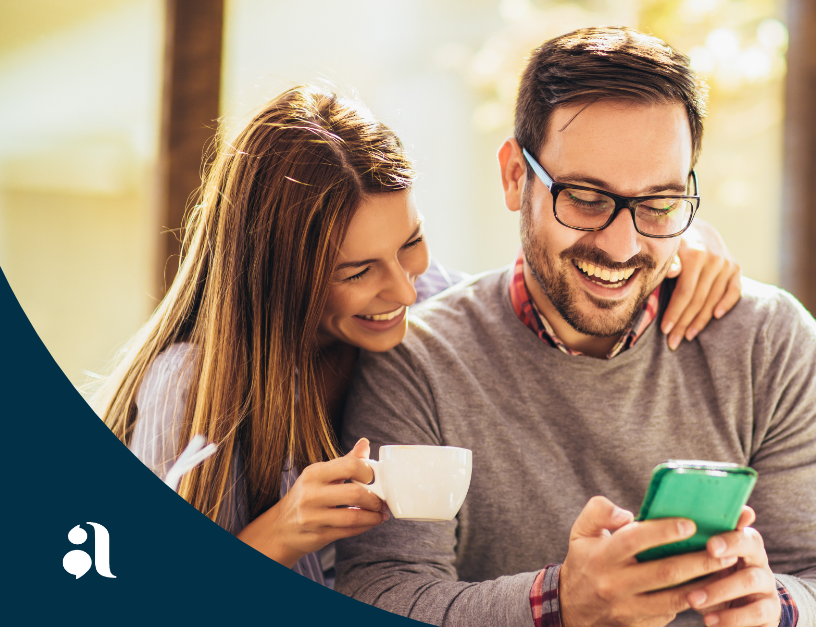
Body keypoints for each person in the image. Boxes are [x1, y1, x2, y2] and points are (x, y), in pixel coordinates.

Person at [336, 27, 816, 627]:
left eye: (659, 204)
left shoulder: (770, 346)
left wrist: (776, 607)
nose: (622, 247)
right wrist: (559, 603)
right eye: (587, 198)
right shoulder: (418, 362)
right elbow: (383, 595)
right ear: (517, 176)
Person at [94, 84, 743, 587]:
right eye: (358, 271)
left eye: (410, 243)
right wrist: (282, 531)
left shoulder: (428, 307)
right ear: (279, 278)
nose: (403, 290)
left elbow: (535, 294)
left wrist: (680, 241)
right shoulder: (191, 388)